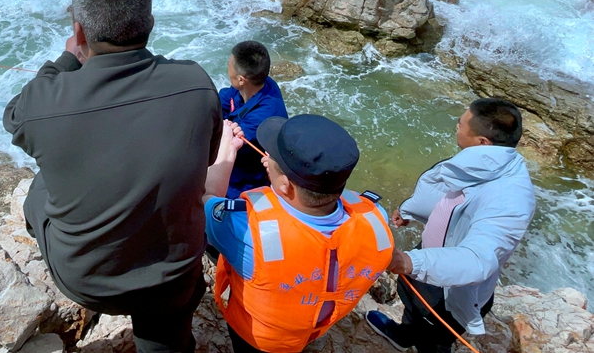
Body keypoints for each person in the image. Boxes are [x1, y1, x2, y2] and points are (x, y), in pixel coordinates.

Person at [3, 0, 223, 353]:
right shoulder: (196, 84)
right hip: (171, 278)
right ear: (150, 23)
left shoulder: (44, 101)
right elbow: (204, 161)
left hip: (86, 280)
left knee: (39, 188)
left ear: (79, 31)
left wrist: (69, 58)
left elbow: (16, 116)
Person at [204, 114, 394, 353]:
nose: (267, 156)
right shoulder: (377, 218)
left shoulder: (247, 228)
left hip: (258, 338)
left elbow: (205, 201)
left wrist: (225, 154)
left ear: (285, 185)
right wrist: (278, 173)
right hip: (314, 326)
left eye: (272, 157)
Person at [366, 98, 537, 353]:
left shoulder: (511, 198)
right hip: (433, 255)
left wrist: (410, 262)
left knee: (434, 339)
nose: (456, 127)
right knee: (412, 303)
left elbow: (476, 260)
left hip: (450, 287)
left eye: (461, 124)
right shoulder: (486, 163)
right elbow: (450, 197)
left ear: (482, 142)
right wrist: (409, 210)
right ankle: (404, 336)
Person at [218, 41, 288, 198]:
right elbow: (226, 97)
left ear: (242, 79)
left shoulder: (264, 117)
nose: (228, 71)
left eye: (229, 68)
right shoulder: (260, 82)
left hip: (245, 182)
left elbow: (227, 144)